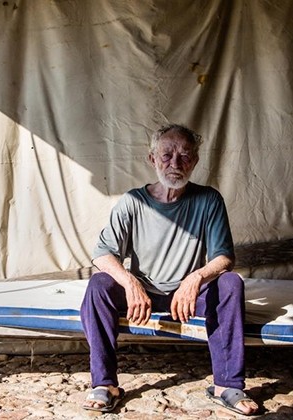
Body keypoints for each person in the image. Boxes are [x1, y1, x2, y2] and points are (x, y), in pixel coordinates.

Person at [80, 124, 259, 416]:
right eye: (166, 155)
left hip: (186, 297)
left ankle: (226, 385)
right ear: (152, 159)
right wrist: (130, 283)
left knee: (230, 284)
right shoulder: (133, 202)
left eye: (184, 156)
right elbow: (102, 254)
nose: (175, 164)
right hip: (143, 296)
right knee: (99, 284)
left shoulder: (208, 200)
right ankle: (105, 384)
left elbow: (224, 256)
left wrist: (196, 277)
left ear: (195, 162)